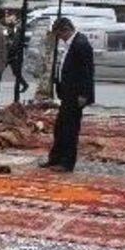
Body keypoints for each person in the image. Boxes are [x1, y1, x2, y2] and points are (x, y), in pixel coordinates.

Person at [40, 18, 95, 172]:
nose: (59, 38)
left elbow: (87, 72)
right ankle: (55, 158)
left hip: (75, 95)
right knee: (60, 127)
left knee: (70, 129)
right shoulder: (71, 44)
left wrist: (83, 95)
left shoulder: (80, 44)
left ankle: (67, 162)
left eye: (59, 34)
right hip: (67, 94)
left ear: (65, 30)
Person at [7, 17, 30, 99]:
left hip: (14, 56)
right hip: (13, 56)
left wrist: (10, 55)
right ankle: (24, 84)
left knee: (16, 72)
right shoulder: (16, 33)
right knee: (16, 72)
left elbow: (14, 46)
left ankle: (24, 84)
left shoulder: (18, 34)